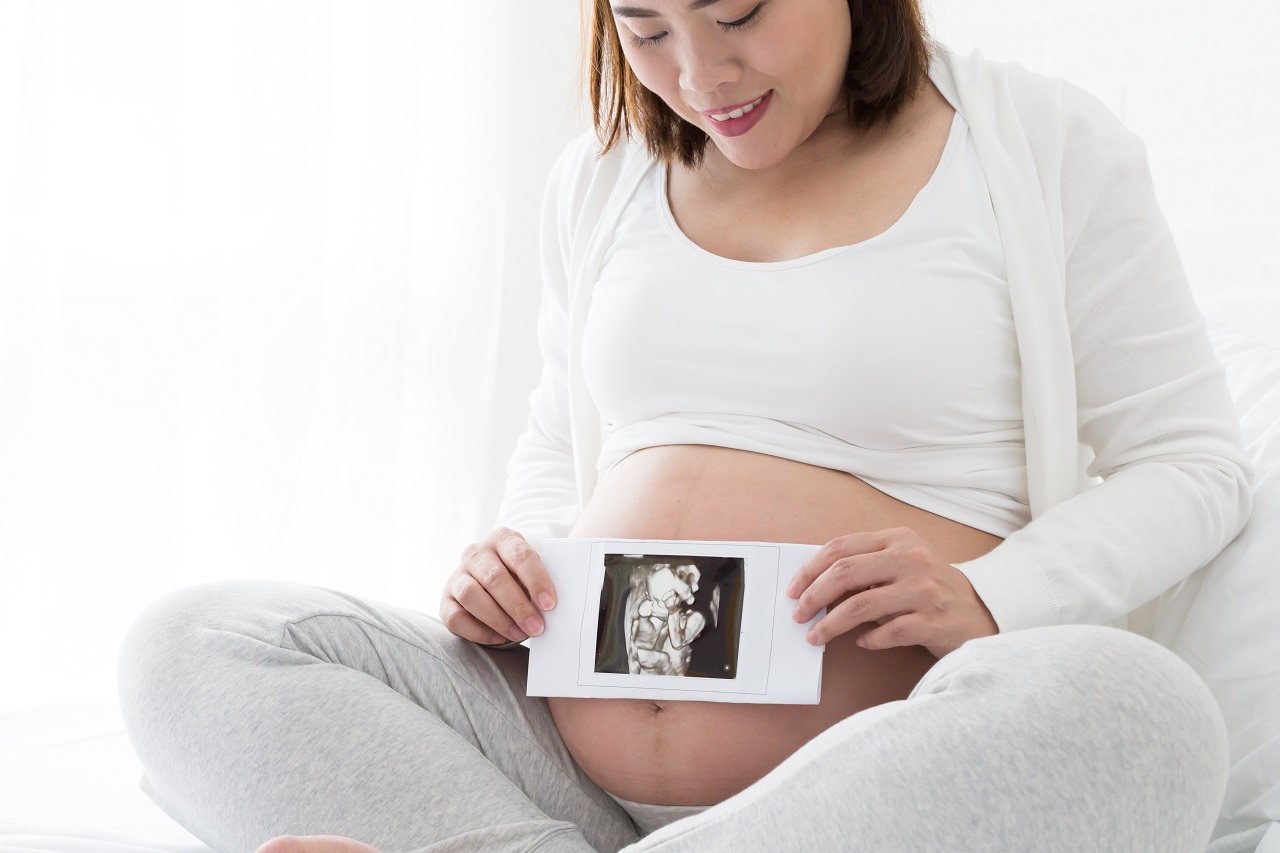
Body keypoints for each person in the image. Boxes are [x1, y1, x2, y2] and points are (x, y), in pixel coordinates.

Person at [116, 0, 1254, 851]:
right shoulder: (602, 175)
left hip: (870, 783)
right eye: (645, 27)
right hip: (556, 763)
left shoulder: (1041, 147)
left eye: (738, 13)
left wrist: (996, 592)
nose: (699, 74)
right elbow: (559, 445)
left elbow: (1194, 465)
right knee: (194, 643)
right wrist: (515, 553)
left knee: (1138, 710)